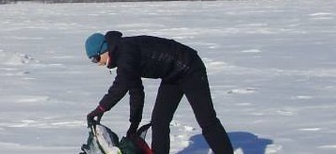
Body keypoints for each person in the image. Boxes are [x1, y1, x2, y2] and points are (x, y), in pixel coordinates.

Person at [85, 31, 233, 154]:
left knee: (207, 120)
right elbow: (136, 93)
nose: (98, 63)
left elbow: (121, 86)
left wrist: (101, 108)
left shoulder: (126, 52)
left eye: (96, 58)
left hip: (190, 68)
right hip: (172, 74)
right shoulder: (123, 57)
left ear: (105, 49)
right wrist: (134, 125)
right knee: (159, 121)